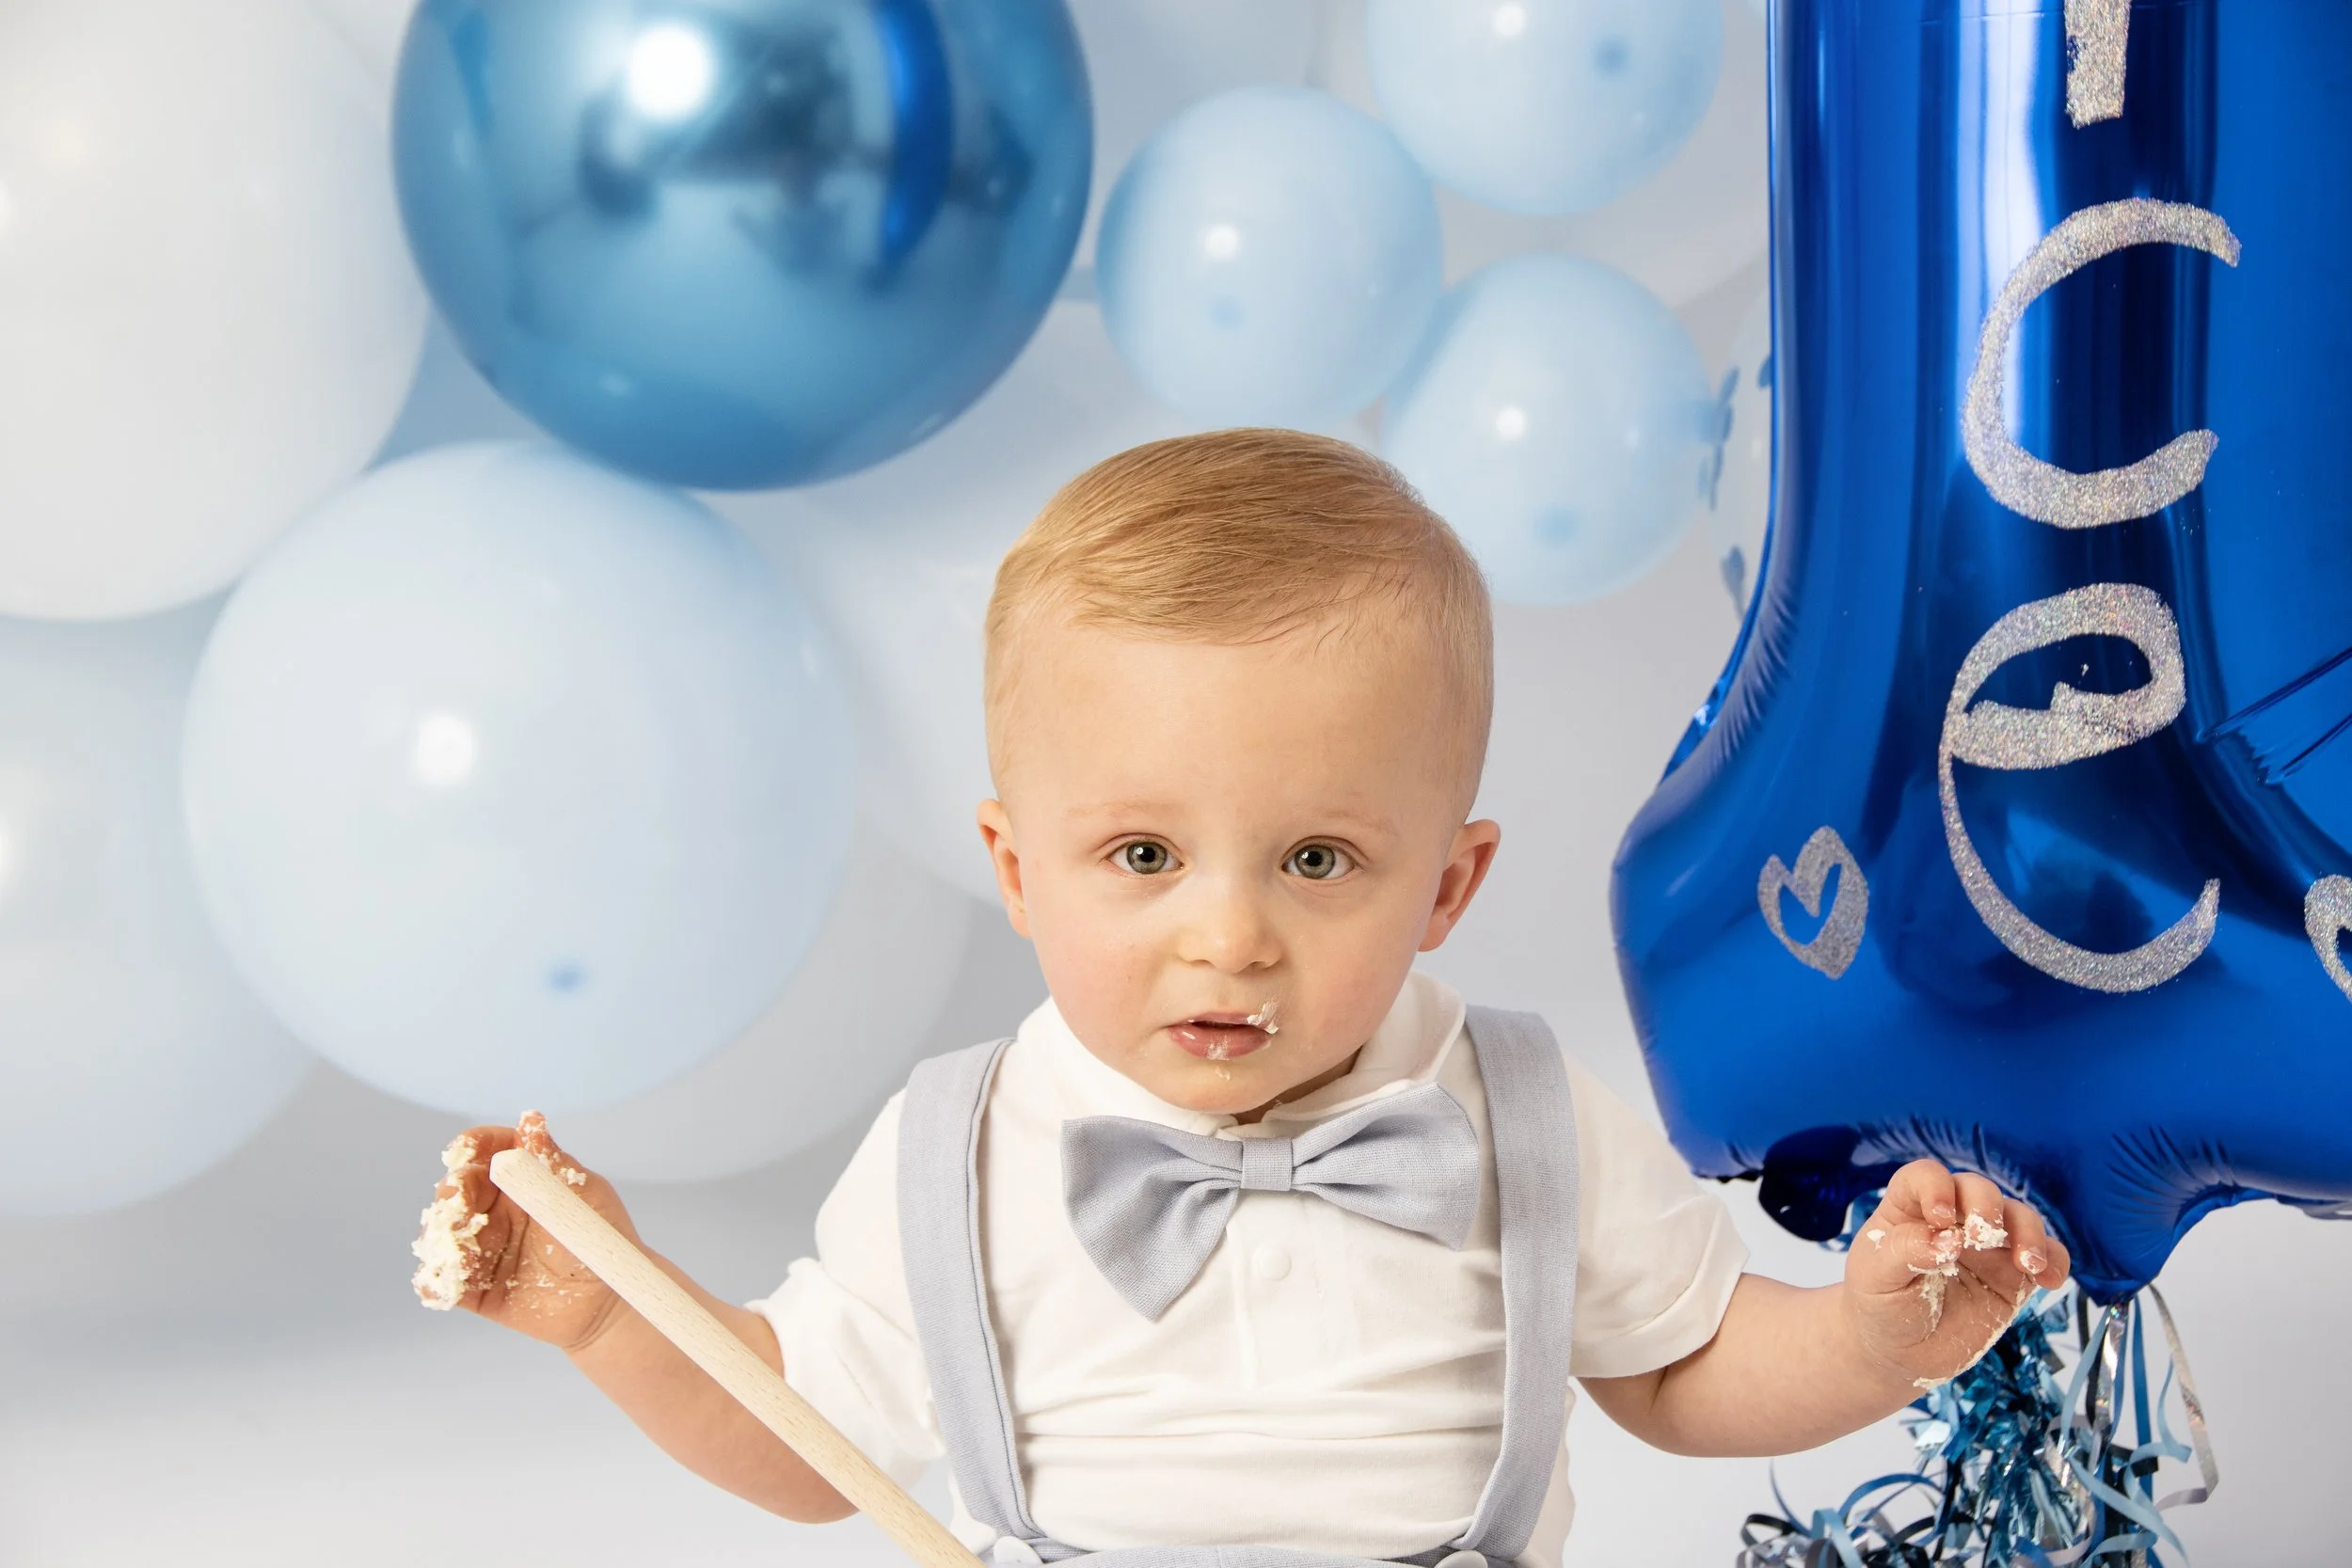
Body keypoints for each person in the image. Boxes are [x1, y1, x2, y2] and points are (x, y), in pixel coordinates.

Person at [413, 429, 2072, 1565]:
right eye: (1140, 852)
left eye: (1321, 861)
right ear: (1013, 862)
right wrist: (608, 1316)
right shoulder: (962, 1146)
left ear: (1448, 885)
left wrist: (1868, 1336)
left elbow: (1686, 1370)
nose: (1231, 935)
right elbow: (811, 1442)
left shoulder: (1527, 1114)